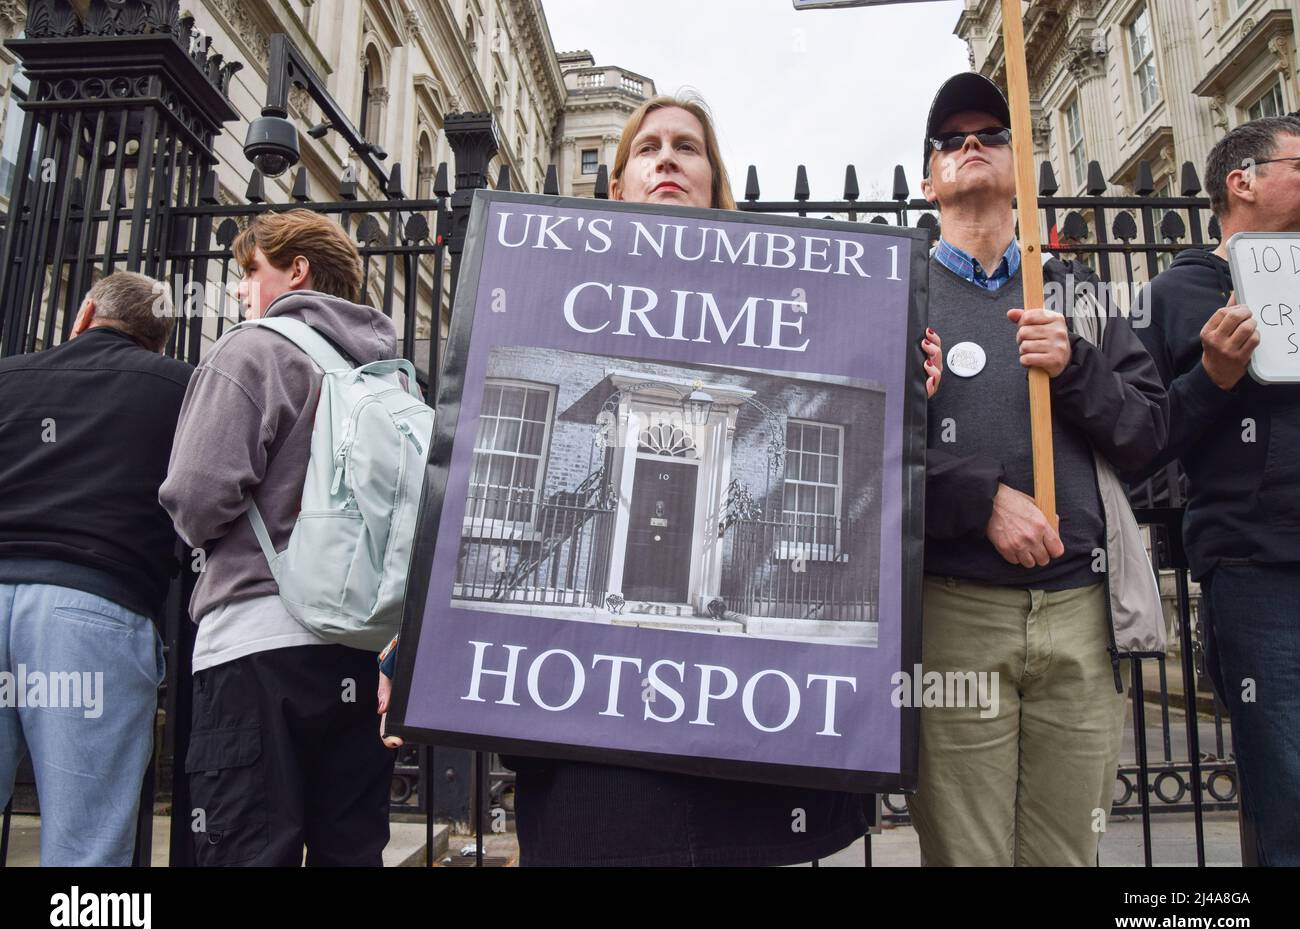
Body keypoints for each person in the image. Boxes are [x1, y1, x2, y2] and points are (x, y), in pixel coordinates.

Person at [503, 93, 942, 866]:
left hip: (736, 764)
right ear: (617, 185)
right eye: (648, 147)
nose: (667, 157)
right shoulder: (548, 280)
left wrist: (910, 394)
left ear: (715, 182)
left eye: (687, 146)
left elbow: (874, 457)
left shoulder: (793, 299)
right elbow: (471, 442)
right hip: (590, 752)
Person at [910, 73, 1168, 866]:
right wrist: (977, 496)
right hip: (955, 614)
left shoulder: (1076, 294)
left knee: (1067, 853)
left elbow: (1151, 435)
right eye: (950, 141)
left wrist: (1078, 365)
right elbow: (853, 454)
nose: (971, 147)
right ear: (929, 180)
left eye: (990, 134)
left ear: (1022, 163)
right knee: (967, 855)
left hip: (1079, 613)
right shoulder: (897, 292)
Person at [160, 209, 396, 866]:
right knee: (350, 852)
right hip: (358, 655)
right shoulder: (387, 374)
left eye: (250, 272)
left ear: (297, 271)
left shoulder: (254, 349)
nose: (240, 290)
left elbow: (197, 495)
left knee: (245, 850)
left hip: (255, 648)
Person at [1133, 114, 1300, 865]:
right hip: (1260, 568)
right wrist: (1214, 378)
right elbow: (1144, 440)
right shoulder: (1179, 291)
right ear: (1244, 181)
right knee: (1287, 790)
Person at [0, 272, 191, 866]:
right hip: (93, 606)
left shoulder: (7, 377)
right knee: (87, 845)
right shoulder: (179, 386)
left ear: (83, 314)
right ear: (159, 339)